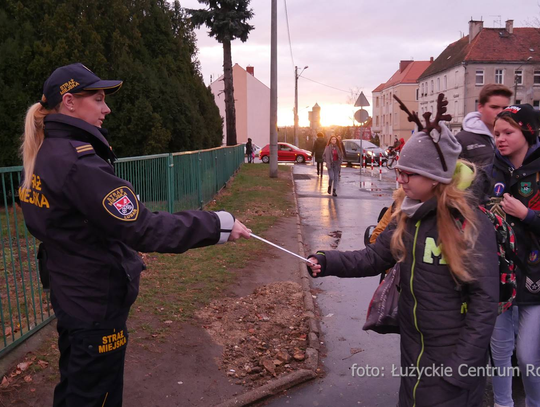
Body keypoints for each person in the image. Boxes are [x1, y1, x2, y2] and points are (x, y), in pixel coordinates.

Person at [18, 63, 251, 407]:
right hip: (95, 303)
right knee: (97, 396)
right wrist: (218, 225)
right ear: (69, 102)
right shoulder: (78, 164)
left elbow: (60, 223)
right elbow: (144, 228)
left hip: (72, 294)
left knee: (75, 388)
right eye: (97, 99)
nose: (106, 108)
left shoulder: (45, 153)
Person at [308, 121, 499, 406]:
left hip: (453, 357)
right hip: (413, 346)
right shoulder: (408, 214)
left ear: (435, 176)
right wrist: (327, 260)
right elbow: (373, 257)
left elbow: (485, 302)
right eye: (399, 171)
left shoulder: (469, 222)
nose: (400, 180)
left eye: (409, 173)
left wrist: (462, 367)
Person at [487, 104, 540, 407]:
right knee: (500, 351)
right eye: (496, 133)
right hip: (498, 276)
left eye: (508, 132)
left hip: (535, 278)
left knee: (529, 355)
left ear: (528, 131)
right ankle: (502, 404)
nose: (501, 139)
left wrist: (527, 214)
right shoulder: (490, 170)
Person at [456, 84, 512, 167]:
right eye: (494, 107)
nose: (501, 112)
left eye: (505, 108)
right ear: (480, 107)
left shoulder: (515, 136)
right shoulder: (462, 139)